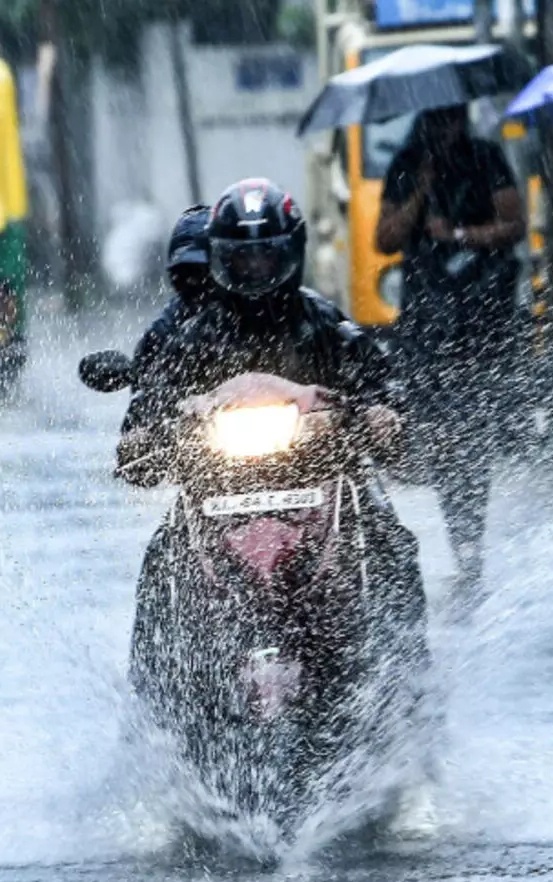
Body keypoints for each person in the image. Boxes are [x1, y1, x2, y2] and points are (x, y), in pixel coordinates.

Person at [118, 179, 438, 835]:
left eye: (268, 257)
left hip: (321, 488)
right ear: (221, 261)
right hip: (217, 493)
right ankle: (150, 715)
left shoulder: (326, 322)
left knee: (396, 545)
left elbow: (384, 387)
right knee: (159, 559)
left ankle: (413, 696)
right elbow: (141, 421)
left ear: (289, 255)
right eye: (243, 258)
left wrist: (383, 415)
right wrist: (141, 440)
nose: (257, 270)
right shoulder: (188, 335)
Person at [374, 104, 527, 613]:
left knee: (472, 440)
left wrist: (461, 236)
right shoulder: (405, 164)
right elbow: (385, 238)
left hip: (481, 321)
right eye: (437, 121)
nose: (446, 130)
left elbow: (514, 224)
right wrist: (420, 188)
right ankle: (460, 543)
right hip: (426, 325)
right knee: (440, 440)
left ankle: (469, 551)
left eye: (453, 120)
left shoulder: (486, 158)